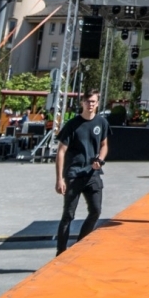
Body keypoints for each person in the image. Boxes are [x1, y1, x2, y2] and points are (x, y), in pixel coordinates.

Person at [55, 89, 109, 255]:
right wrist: (60, 179)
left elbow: (104, 145)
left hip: (92, 174)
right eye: (87, 101)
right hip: (74, 173)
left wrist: (100, 159)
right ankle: (61, 251)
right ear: (82, 103)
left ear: (97, 103)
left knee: (95, 211)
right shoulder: (72, 124)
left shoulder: (101, 122)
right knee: (68, 215)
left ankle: (79, 245)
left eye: (93, 101)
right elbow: (61, 151)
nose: (90, 104)